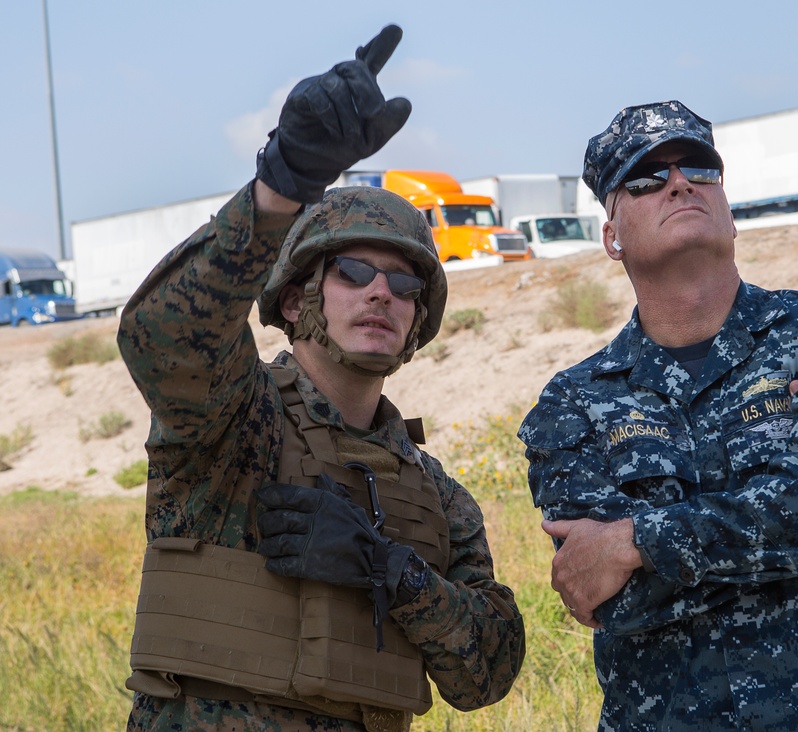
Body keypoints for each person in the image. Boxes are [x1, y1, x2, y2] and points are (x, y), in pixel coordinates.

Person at [119, 24, 525, 732]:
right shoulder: (233, 420)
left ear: (419, 320)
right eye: (355, 272)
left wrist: (389, 569)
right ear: (297, 297)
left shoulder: (435, 494)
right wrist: (282, 185)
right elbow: (163, 335)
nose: (381, 295)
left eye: (405, 284)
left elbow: (487, 669)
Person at [518, 100, 798, 730]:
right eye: (645, 179)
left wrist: (639, 540)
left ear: (729, 211)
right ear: (611, 237)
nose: (679, 182)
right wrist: (788, 536)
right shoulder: (574, 402)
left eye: (699, 170)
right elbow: (605, 590)